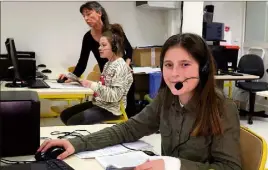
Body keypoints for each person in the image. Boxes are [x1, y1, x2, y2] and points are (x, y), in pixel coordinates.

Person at [38, 33, 241, 170]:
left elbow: (229, 168)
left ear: (203, 68)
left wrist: (173, 165)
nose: (175, 74)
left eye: (185, 64)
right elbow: (129, 129)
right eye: (168, 65)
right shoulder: (166, 98)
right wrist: (76, 143)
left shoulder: (222, 108)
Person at [58, 1, 137, 118]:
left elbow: (128, 50)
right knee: (106, 105)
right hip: (106, 77)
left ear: (99, 13)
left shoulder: (114, 31)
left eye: (89, 14)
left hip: (122, 74)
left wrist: (126, 66)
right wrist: (71, 77)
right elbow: (82, 63)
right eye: (84, 16)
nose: (86, 18)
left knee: (127, 110)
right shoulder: (88, 37)